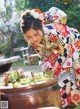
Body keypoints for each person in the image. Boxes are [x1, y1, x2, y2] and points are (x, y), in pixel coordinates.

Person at [20, 7, 80, 108]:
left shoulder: (52, 32)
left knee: (66, 74)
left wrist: (56, 68)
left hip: (72, 43)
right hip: (57, 49)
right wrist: (47, 71)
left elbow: (65, 52)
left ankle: (68, 102)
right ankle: (62, 102)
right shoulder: (34, 40)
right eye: (29, 37)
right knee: (52, 76)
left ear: (41, 29)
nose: (34, 39)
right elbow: (44, 56)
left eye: (36, 34)